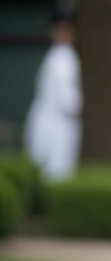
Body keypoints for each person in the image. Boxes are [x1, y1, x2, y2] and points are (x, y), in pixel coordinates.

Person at [22, 10, 81, 181]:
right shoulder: (63, 56)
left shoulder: (57, 55)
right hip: (58, 127)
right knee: (56, 175)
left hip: (50, 124)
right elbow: (67, 100)